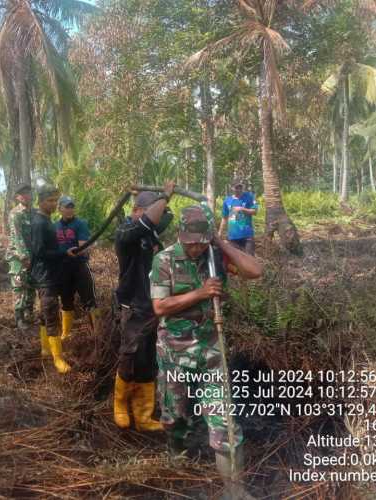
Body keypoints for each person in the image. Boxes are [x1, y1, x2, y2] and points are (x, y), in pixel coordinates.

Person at [150, 204, 263, 498]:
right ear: (180, 235)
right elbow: (160, 307)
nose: (195, 250)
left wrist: (221, 244)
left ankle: (235, 491)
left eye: (200, 244)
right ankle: (177, 461)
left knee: (225, 424)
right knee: (175, 418)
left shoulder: (215, 256)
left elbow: (255, 270)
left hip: (212, 353)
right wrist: (201, 293)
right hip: (175, 353)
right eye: (189, 244)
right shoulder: (164, 259)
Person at [112, 180, 175, 432]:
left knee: (148, 356)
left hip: (152, 304)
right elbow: (148, 220)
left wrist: (161, 199)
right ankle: (120, 405)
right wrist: (166, 194)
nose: (155, 215)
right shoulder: (125, 231)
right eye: (149, 210)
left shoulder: (151, 231)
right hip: (133, 303)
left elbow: (165, 216)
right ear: (137, 210)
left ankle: (144, 413)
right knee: (130, 353)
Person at [31, 184, 77, 374]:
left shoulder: (46, 219)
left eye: (54, 201)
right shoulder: (40, 222)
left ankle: (45, 350)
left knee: (44, 314)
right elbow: (39, 252)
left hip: (48, 274)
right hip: (45, 277)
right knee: (51, 316)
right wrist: (63, 253)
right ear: (40, 201)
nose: (53, 204)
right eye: (50, 201)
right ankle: (58, 359)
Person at [55, 195, 99, 339]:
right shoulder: (55, 226)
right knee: (66, 301)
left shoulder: (80, 224)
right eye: (66, 207)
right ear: (59, 208)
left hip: (80, 266)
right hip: (63, 269)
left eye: (71, 206)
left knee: (89, 300)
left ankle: (96, 332)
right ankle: (66, 333)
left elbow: (83, 246)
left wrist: (78, 251)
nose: (69, 209)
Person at [5, 183, 36, 330]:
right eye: (23, 194)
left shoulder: (35, 213)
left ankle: (30, 313)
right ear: (18, 197)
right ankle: (19, 318)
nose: (27, 196)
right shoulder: (15, 214)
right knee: (19, 285)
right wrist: (24, 257)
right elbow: (17, 237)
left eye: (28, 192)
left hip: (33, 254)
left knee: (31, 285)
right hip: (18, 256)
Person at [218, 179, 259, 256]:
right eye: (236, 187)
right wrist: (220, 233)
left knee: (249, 260)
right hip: (233, 237)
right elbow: (224, 218)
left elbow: (255, 211)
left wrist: (242, 209)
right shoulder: (227, 200)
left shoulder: (249, 197)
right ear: (232, 188)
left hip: (247, 236)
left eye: (240, 187)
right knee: (234, 262)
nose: (239, 189)